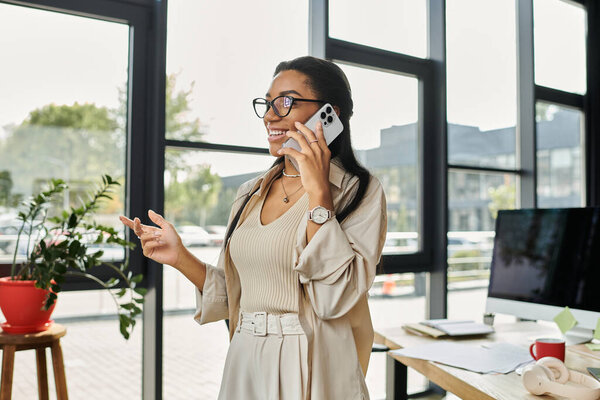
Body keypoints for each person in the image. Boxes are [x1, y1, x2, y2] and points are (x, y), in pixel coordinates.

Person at [120, 56, 387, 400]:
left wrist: (319, 192)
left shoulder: (358, 190)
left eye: (285, 102)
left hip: (313, 362)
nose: (270, 115)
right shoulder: (250, 193)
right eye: (267, 103)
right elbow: (238, 296)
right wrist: (180, 256)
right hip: (245, 358)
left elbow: (336, 298)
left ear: (329, 114)